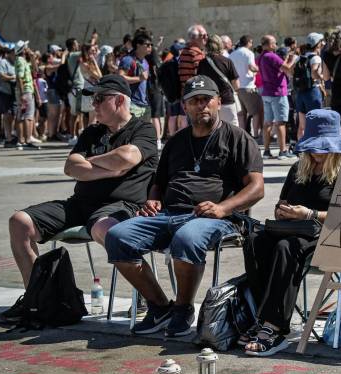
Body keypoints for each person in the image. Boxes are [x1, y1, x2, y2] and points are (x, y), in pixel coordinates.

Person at [105, 75, 265, 337]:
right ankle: (159, 307)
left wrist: (224, 208)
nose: (200, 106)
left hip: (215, 217)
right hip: (168, 213)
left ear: (218, 102)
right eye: (194, 101)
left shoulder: (237, 138)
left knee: (186, 238)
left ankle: (183, 308)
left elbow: (256, 188)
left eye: (206, 100)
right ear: (185, 107)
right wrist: (153, 198)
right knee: (118, 236)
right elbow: (159, 181)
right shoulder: (176, 141)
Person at [4, 75, 158, 321]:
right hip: (79, 205)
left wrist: (90, 164)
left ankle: (147, 296)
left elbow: (127, 158)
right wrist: (108, 166)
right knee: (19, 222)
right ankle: (39, 300)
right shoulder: (92, 132)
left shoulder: (143, 129)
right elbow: (70, 166)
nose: (93, 105)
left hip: (120, 206)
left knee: (106, 229)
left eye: (99, 99)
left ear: (119, 100)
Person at [241, 109, 341, 356]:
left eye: (324, 147)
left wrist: (308, 214)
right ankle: (261, 315)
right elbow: (283, 201)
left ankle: (274, 327)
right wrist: (283, 211)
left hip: (325, 234)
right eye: (314, 147)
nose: (318, 153)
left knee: (286, 247)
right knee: (255, 241)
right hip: (291, 228)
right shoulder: (299, 167)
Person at [259, 35, 297, 159]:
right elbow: (287, 69)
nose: (276, 45)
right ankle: (283, 151)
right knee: (280, 123)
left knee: (268, 123)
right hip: (278, 92)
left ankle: (266, 151)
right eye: (274, 43)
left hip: (267, 92)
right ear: (269, 44)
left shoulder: (261, 57)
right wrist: (291, 59)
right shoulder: (272, 56)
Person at [198, 35, 240, 126]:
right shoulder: (227, 61)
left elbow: (200, 82)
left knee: (213, 129)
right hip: (227, 100)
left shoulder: (202, 63)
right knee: (231, 128)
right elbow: (236, 84)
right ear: (220, 45)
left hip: (209, 101)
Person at [294, 33, 326, 140]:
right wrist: (323, 77)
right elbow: (313, 73)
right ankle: (315, 152)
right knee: (315, 123)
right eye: (322, 41)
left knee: (302, 126)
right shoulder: (316, 58)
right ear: (318, 44)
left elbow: (290, 72)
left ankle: (302, 152)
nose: (323, 43)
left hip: (300, 92)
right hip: (312, 92)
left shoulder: (300, 58)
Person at [229, 35, 260, 135]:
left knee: (241, 114)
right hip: (248, 86)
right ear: (249, 42)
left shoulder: (232, 54)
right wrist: (259, 70)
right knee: (255, 112)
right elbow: (252, 67)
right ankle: (255, 135)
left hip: (236, 87)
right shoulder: (248, 53)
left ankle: (242, 135)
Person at [118, 35, 152, 120]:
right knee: (132, 132)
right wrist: (139, 78)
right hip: (132, 104)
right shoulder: (128, 60)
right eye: (147, 45)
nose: (150, 47)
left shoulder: (145, 61)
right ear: (138, 45)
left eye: (151, 45)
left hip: (144, 105)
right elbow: (120, 78)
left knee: (143, 132)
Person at [14, 42, 38, 149]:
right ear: (23, 49)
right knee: (27, 116)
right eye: (26, 47)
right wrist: (23, 93)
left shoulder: (23, 61)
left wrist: (32, 57)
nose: (28, 48)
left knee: (23, 115)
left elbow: (36, 70)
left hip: (27, 90)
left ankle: (22, 141)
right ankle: (26, 140)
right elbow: (19, 77)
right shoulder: (20, 61)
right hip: (26, 91)